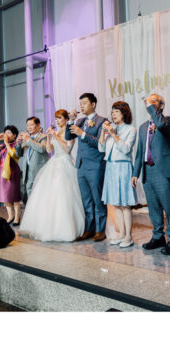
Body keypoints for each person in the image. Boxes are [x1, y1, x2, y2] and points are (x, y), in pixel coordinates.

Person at [17, 109, 86, 242]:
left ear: (66, 119)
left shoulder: (69, 131)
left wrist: (56, 136)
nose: (57, 121)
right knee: (49, 196)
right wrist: (50, 137)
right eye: (56, 118)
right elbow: (49, 150)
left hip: (65, 163)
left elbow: (67, 149)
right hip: (53, 162)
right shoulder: (56, 132)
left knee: (64, 195)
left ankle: (66, 228)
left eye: (60, 118)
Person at [131, 93, 170, 255]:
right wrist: (135, 173)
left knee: (169, 206)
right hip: (147, 171)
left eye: (154, 102)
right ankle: (158, 236)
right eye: (148, 102)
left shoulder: (168, 121)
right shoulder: (142, 127)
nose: (149, 104)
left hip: (163, 170)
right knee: (153, 207)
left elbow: (160, 124)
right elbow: (139, 152)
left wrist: (151, 107)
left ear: (160, 105)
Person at [100, 101, 138, 248]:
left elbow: (126, 149)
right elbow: (101, 148)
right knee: (116, 204)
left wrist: (113, 134)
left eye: (116, 111)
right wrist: (103, 133)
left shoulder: (131, 129)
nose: (113, 114)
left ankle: (128, 236)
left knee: (125, 204)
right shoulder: (112, 129)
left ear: (124, 113)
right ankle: (121, 234)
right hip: (111, 167)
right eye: (112, 112)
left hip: (123, 166)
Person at [71, 93, 108, 241]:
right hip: (81, 165)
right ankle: (89, 229)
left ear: (93, 104)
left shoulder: (102, 121)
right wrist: (71, 121)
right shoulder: (80, 121)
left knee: (98, 199)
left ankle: (100, 230)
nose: (81, 106)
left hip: (95, 165)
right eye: (80, 103)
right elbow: (68, 136)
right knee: (86, 199)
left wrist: (83, 134)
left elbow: (100, 143)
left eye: (84, 103)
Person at [0, 126, 23, 225]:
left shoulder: (16, 144)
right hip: (2, 172)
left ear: (14, 135)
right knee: (5, 196)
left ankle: (17, 217)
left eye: (9, 133)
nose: (6, 135)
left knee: (14, 196)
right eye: (5, 133)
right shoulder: (2, 145)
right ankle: (10, 216)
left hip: (12, 172)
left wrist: (6, 143)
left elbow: (14, 154)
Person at [18, 116, 50, 203]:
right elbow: (19, 154)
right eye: (28, 125)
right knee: (29, 193)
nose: (29, 127)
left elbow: (42, 149)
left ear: (38, 125)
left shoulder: (44, 136)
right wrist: (18, 144)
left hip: (39, 170)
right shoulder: (26, 138)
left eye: (31, 125)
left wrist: (29, 140)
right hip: (27, 170)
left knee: (40, 194)